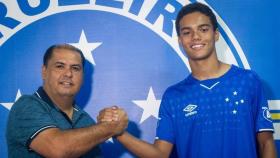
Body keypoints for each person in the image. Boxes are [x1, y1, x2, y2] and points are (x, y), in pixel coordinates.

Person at [98, 2, 277, 158]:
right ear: (180, 40)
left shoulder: (247, 81)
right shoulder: (174, 96)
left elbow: (266, 143)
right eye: (187, 32)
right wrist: (117, 132)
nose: (196, 37)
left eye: (203, 29)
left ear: (216, 34)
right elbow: (160, 154)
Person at [6, 44, 128, 158]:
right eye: (59, 66)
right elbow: (57, 149)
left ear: (82, 76)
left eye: (75, 68)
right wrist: (110, 127)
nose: (68, 73)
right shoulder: (26, 106)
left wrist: (111, 124)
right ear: (44, 71)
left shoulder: (85, 120)